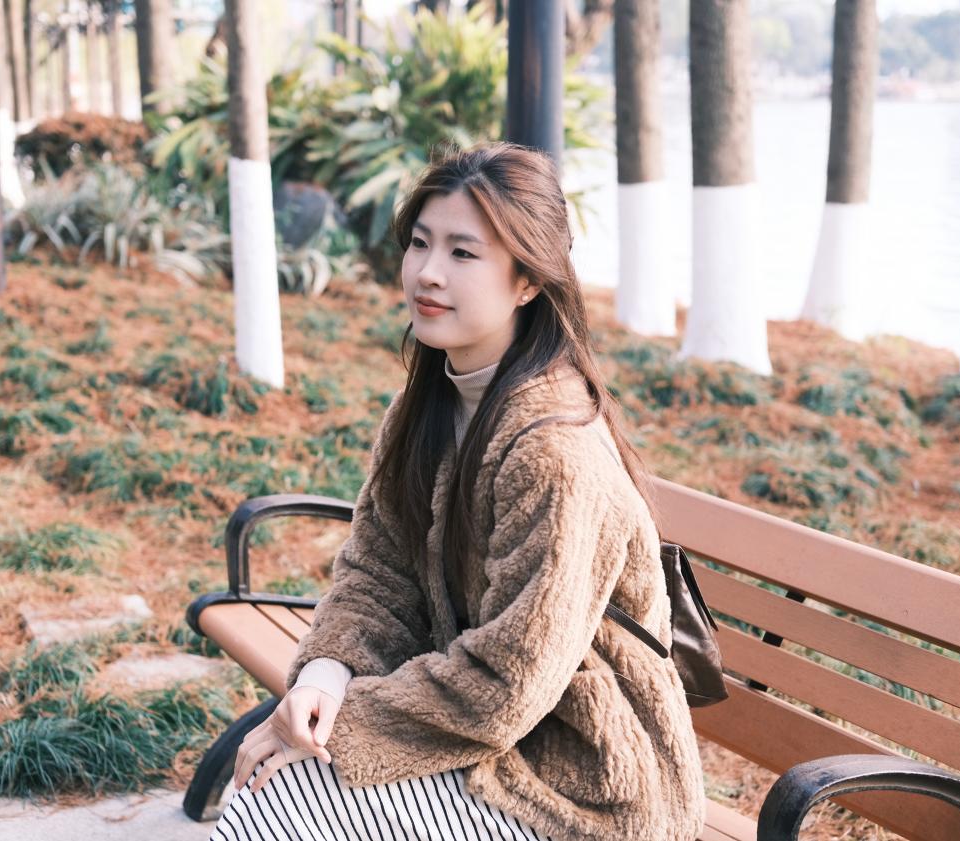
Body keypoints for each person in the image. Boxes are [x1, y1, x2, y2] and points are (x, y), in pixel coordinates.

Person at [209, 143, 706, 841]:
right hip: (488, 747)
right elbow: (377, 571)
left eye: (463, 253)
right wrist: (323, 675)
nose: (428, 272)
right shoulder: (428, 407)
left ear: (527, 281)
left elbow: (509, 682)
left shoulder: (554, 451)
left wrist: (345, 722)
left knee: (286, 798)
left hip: (586, 785)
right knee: (280, 788)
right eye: (420, 243)